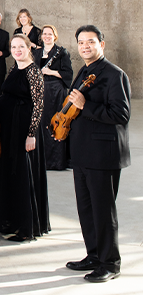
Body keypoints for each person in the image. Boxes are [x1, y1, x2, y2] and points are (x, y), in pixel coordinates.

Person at [64, 25, 130, 283]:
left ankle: (111, 263)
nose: (85, 46)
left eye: (90, 42)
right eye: (81, 42)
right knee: (86, 209)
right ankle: (94, 255)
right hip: (82, 152)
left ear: (102, 43)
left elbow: (121, 115)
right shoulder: (84, 70)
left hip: (103, 154)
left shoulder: (115, 75)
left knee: (103, 211)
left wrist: (85, 105)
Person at [0, 34, 49, 242]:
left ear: (29, 48)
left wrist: (31, 134)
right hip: (7, 129)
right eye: (13, 47)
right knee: (9, 173)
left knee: (22, 175)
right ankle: (11, 221)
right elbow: (9, 95)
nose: (17, 50)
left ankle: (26, 227)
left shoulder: (34, 72)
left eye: (21, 46)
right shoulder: (15, 67)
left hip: (23, 130)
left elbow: (39, 106)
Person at [32, 25, 73, 170]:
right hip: (40, 92)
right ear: (41, 36)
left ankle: (56, 161)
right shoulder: (36, 53)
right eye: (45, 34)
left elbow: (68, 74)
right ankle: (40, 160)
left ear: (54, 36)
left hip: (56, 93)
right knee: (40, 125)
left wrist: (50, 71)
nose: (47, 36)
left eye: (50, 34)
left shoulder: (61, 52)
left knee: (54, 125)